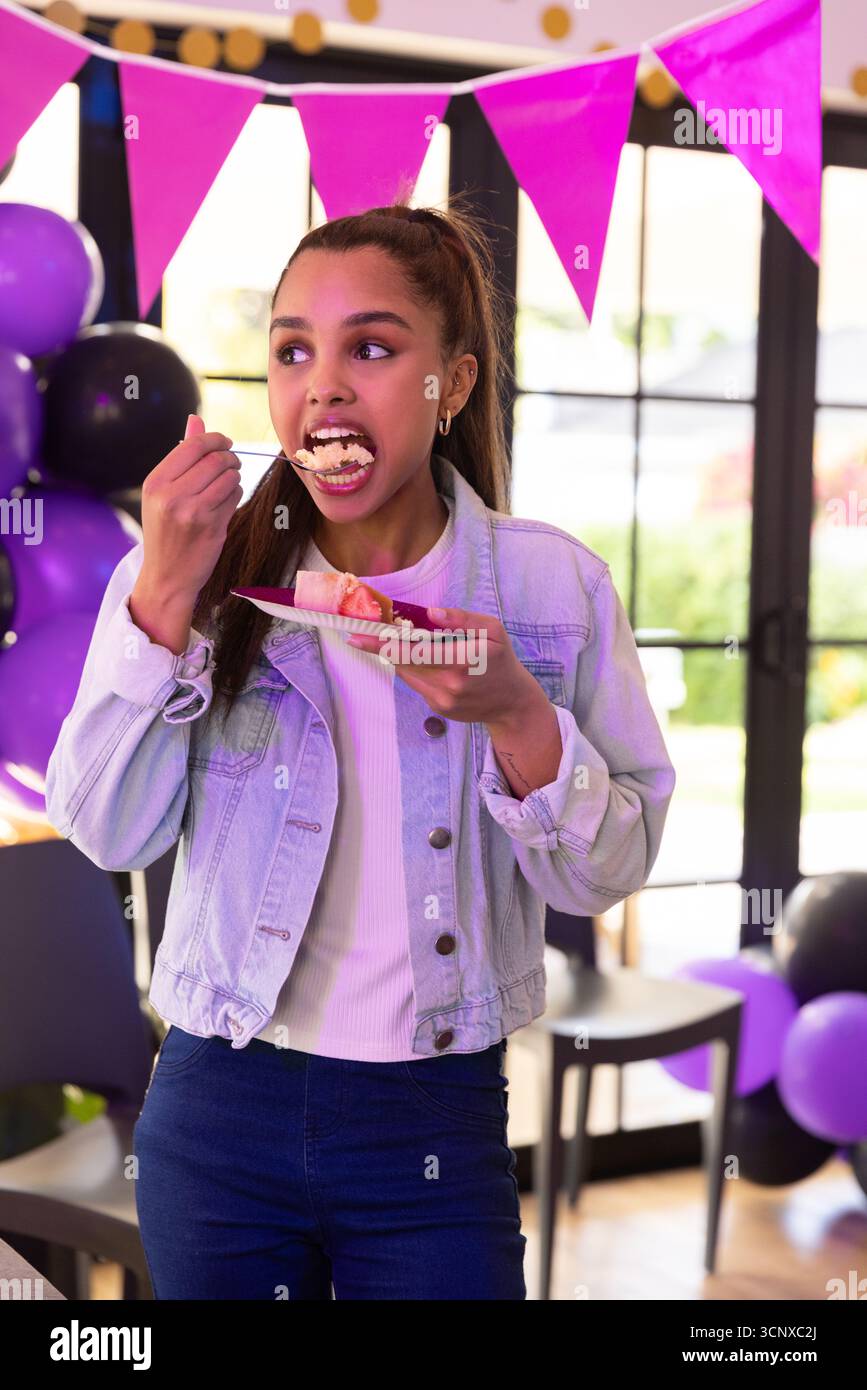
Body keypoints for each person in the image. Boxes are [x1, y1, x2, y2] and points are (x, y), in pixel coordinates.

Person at [44, 195, 676, 1300]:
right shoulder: (195, 575)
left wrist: (521, 716)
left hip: (431, 1119)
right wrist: (158, 599)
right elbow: (103, 827)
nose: (322, 386)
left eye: (372, 348)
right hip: (217, 1110)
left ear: (454, 385)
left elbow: (607, 869)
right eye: (292, 351)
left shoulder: (550, 590)